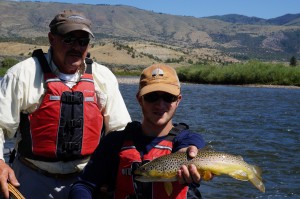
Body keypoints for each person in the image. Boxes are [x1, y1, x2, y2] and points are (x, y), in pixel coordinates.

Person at [0, 10, 131, 199]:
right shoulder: (21, 75)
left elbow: (120, 131)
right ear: (51, 39)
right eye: (68, 39)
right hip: (32, 177)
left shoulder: (103, 77)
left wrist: (111, 170)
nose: (76, 47)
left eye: (82, 41)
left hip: (87, 179)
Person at [69, 64, 212, 199]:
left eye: (168, 97)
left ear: (178, 100)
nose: (160, 104)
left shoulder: (186, 140)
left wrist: (188, 153)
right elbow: (83, 185)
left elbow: (191, 143)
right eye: (152, 97)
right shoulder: (114, 142)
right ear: (139, 99)